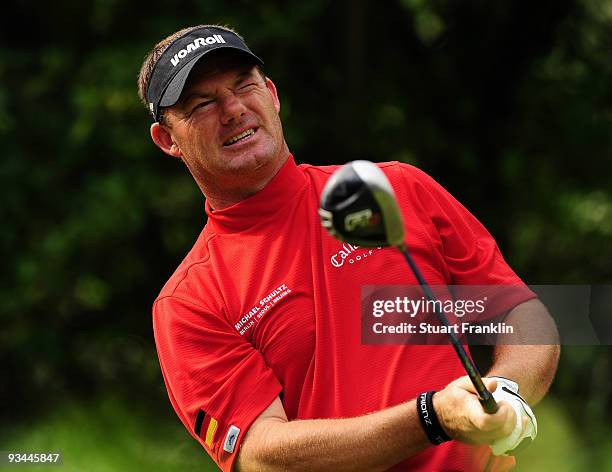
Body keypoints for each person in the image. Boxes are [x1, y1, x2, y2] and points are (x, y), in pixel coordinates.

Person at [138, 24, 560, 471]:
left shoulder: (394, 188)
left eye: (245, 85)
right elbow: (264, 456)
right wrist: (433, 418)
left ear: (273, 95)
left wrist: (504, 394)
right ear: (168, 140)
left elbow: (522, 313)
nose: (233, 109)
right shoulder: (188, 302)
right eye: (202, 103)